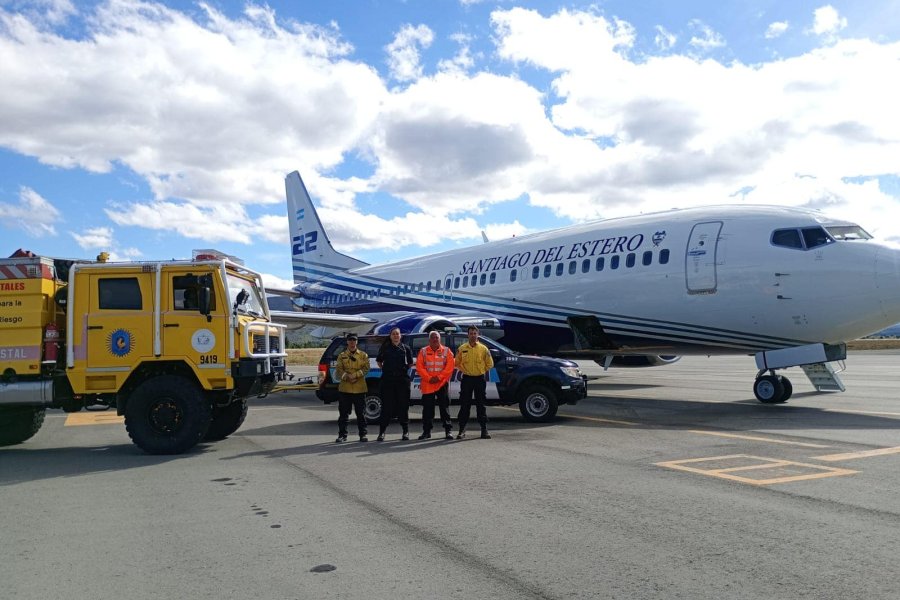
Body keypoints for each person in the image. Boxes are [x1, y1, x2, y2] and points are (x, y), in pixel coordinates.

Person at [455, 325, 494, 439]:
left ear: (478, 335)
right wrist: (464, 370)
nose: (472, 335)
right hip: (467, 379)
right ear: (468, 335)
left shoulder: (483, 349)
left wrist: (481, 371)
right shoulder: (462, 348)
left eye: (474, 333)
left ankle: (484, 430)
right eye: (470, 333)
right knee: (464, 405)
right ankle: (461, 430)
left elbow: (490, 364)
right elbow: (457, 362)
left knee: (481, 405)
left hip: (479, 379)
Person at [376, 327, 414, 441]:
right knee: (386, 407)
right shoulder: (385, 348)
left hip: (402, 381)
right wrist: (386, 370)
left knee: (403, 406)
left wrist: (403, 369)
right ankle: (382, 432)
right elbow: (379, 361)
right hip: (388, 381)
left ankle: (405, 431)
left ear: (400, 336)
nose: (396, 336)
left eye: (397, 334)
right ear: (390, 336)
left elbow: (411, 363)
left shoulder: (405, 348)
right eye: (394, 334)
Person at [415, 331, 455, 440]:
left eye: (437, 337)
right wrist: (429, 378)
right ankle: (426, 432)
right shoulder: (423, 351)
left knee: (444, 408)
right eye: (433, 337)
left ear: (440, 339)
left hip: (441, 383)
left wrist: (439, 377)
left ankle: (448, 431)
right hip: (428, 384)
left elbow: (450, 367)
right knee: (427, 410)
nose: (435, 339)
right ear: (429, 340)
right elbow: (419, 367)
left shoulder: (447, 351)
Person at [334, 333, 370, 443]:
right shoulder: (341, 355)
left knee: (361, 414)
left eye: (354, 340)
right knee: (343, 414)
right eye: (350, 340)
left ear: (357, 342)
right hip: (345, 388)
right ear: (347, 342)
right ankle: (342, 435)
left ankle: (363, 435)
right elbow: (339, 369)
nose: (352, 342)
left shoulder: (363, 355)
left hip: (360, 388)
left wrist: (355, 375)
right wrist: (347, 377)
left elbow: (366, 368)